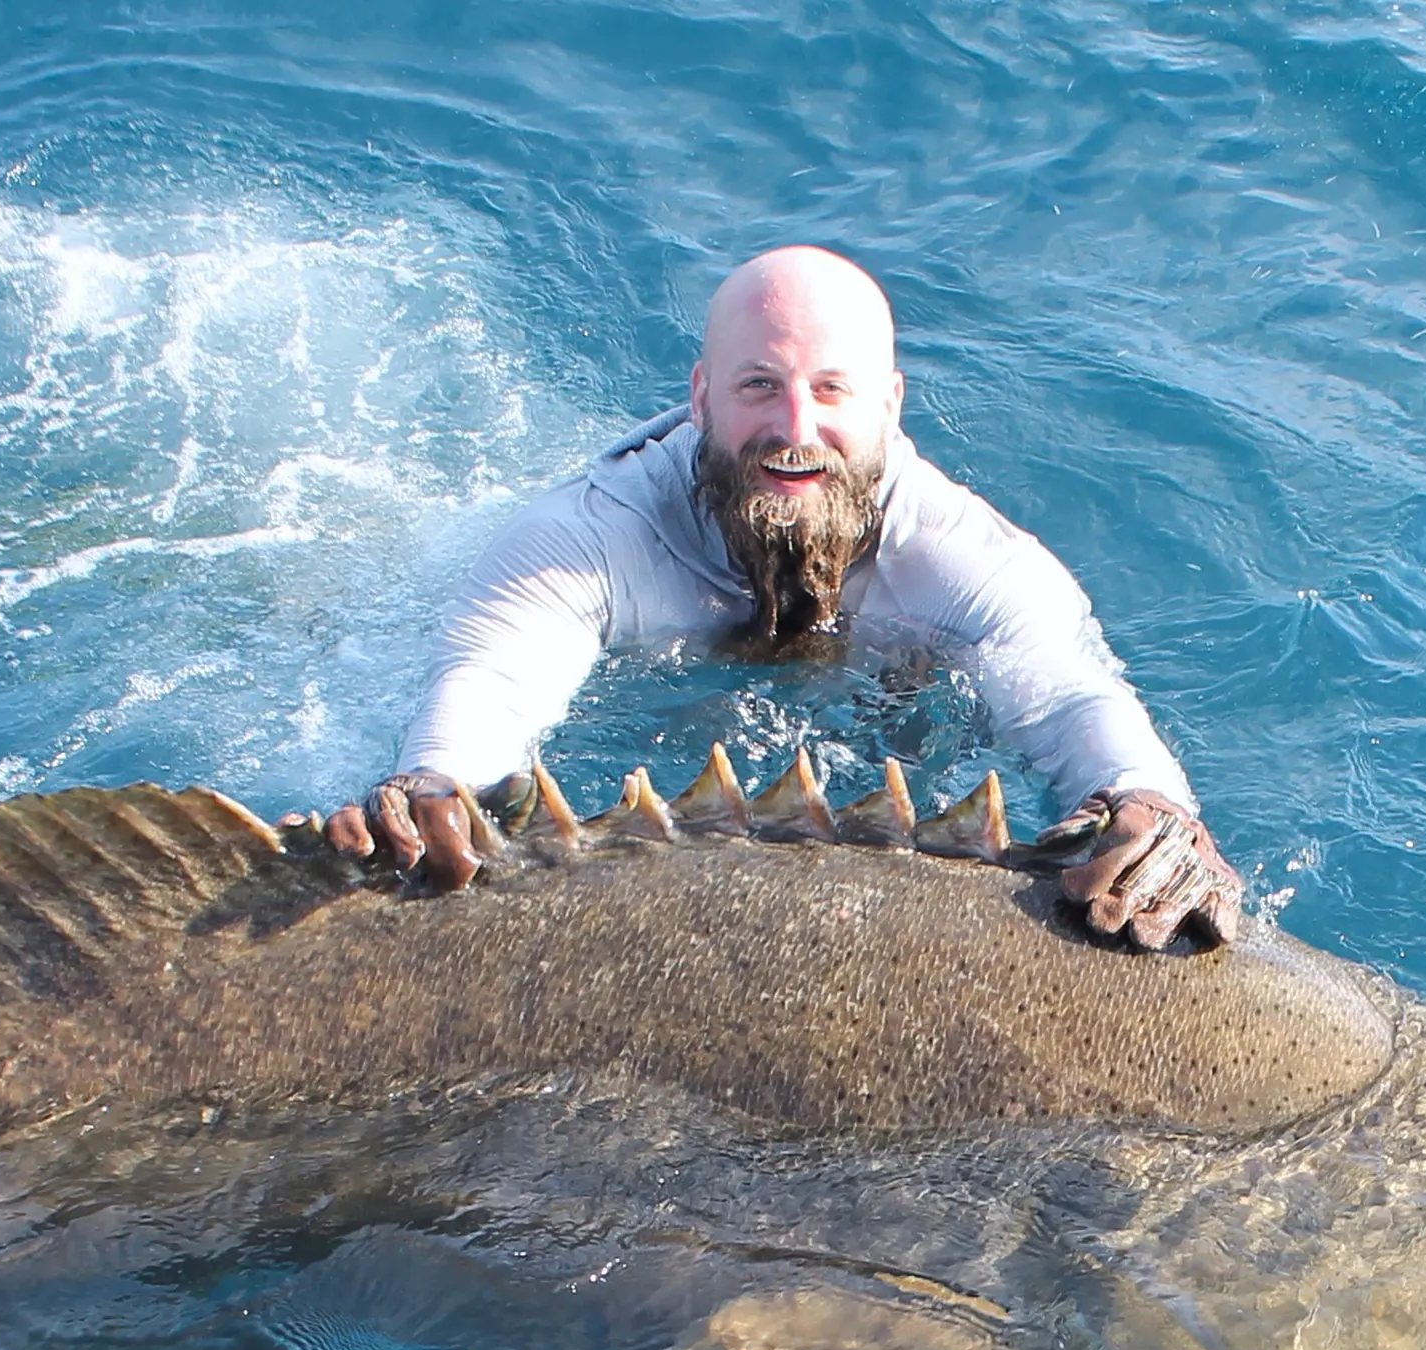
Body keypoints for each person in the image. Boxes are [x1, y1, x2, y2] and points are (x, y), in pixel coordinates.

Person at [327, 244, 1243, 949]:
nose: (794, 430)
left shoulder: (967, 558)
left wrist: (1151, 806)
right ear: (700, 398)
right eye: (759, 387)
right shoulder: (587, 538)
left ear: (889, 405)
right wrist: (434, 782)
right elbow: (491, 678)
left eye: (830, 391)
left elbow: (1077, 697)